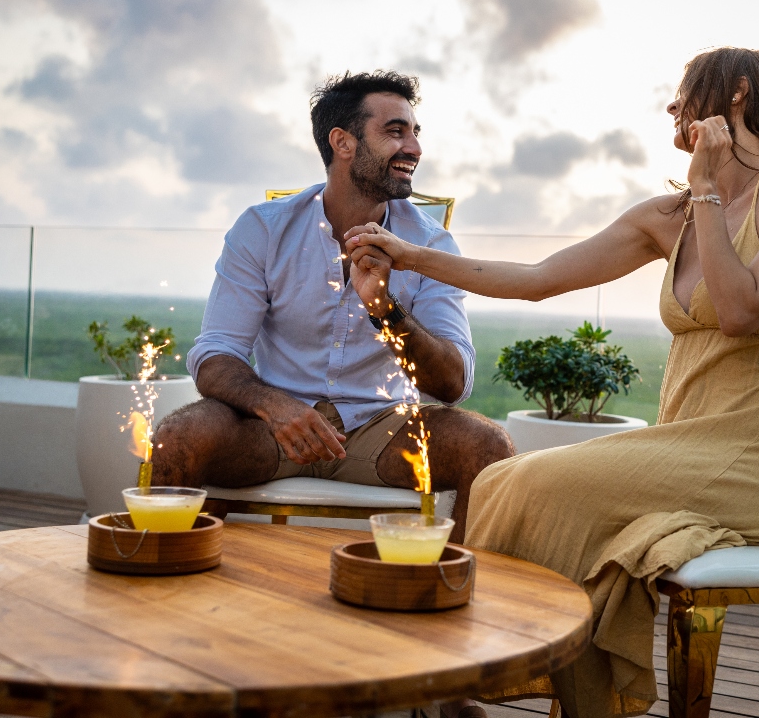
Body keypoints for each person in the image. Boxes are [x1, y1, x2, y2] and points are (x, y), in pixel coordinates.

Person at [345, 48, 759, 718]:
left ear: (739, 93)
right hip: (684, 445)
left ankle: (458, 678)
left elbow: (744, 310)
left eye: (684, 95)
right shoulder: (668, 216)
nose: (673, 109)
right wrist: (410, 255)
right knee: (498, 481)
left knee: (542, 484)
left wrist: (709, 191)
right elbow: (536, 279)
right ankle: (459, 681)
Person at [152, 70, 513, 543]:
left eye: (415, 132)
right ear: (342, 142)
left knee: (489, 448)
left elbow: (452, 384)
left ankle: (451, 593)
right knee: (178, 436)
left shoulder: (430, 244)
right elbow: (214, 356)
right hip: (273, 428)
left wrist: (385, 309)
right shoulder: (263, 229)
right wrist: (273, 405)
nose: (414, 149)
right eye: (394, 131)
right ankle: (165, 578)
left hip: (384, 431)